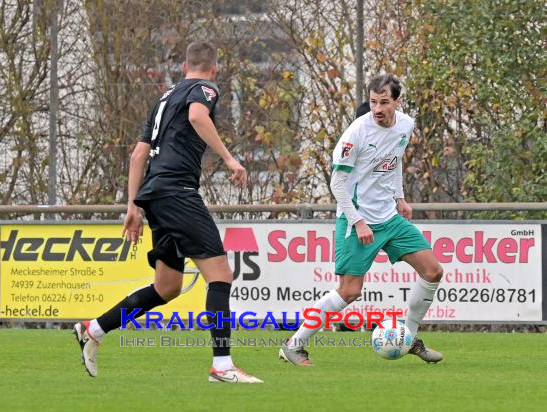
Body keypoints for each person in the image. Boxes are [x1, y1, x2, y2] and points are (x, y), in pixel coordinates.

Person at [73, 41, 263, 383]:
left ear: (184, 65)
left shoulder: (164, 98)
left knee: (167, 286)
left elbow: (137, 156)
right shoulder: (204, 89)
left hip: (154, 195)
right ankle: (222, 366)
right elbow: (197, 116)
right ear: (214, 68)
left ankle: (95, 328)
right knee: (220, 275)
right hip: (177, 191)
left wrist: (132, 206)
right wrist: (230, 159)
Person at [279, 74, 443, 366]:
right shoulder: (356, 133)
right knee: (350, 291)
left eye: (384, 102)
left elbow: (394, 161)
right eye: (373, 102)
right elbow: (337, 185)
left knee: (432, 271)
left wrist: (399, 197)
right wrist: (357, 222)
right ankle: (294, 344)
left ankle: (409, 338)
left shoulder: (405, 124)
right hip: (357, 217)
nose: (377, 108)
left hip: (389, 217)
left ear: (397, 102)